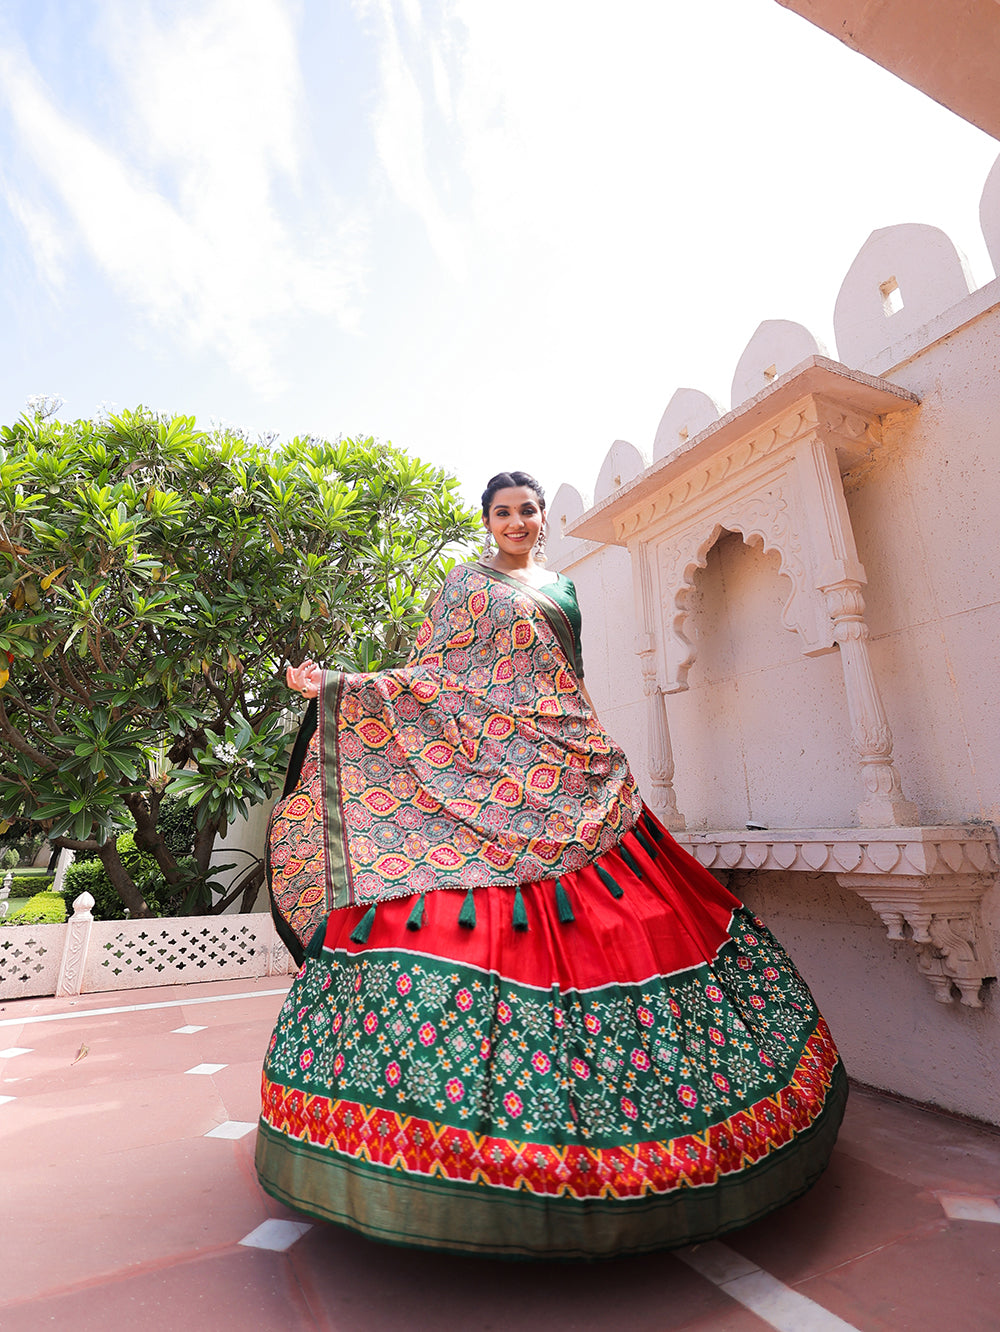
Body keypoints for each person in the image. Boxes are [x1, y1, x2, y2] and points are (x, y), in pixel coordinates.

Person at [256, 469, 846, 1260]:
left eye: (528, 510)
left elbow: (566, 680)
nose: (517, 522)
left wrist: (581, 747)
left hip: (567, 758)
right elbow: (438, 678)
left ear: (542, 518)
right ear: (487, 521)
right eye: (503, 512)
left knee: (641, 908)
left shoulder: (564, 589)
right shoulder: (464, 587)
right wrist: (341, 686)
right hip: (489, 767)